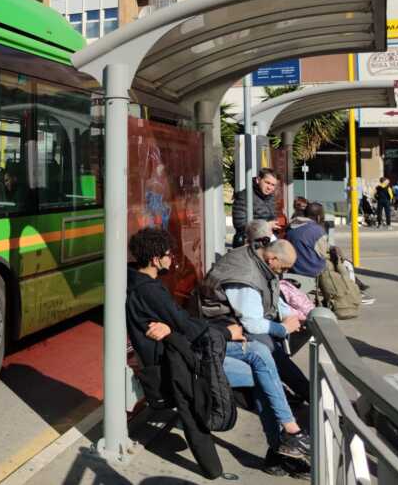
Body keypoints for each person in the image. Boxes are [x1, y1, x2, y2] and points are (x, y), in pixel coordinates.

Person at [126, 228, 311, 479]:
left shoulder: (141, 283)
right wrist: (227, 333)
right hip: (184, 361)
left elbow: (179, 324)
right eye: (170, 254)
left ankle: (285, 440)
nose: (173, 259)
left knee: (259, 354)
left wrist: (184, 328)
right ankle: (285, 439)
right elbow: (185, 326)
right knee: (260, 369)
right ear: (156, 258)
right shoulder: (149, 290)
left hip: (191, 348)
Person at [200, 239, 312, 402]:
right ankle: (294, 397)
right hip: (223, 324)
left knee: (277, 349)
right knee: (271, 350)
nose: (284, 272)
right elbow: (252, 324)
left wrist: (287, 314)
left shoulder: (258, 258)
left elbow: (271, 293)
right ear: (272, 258)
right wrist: (283, 329)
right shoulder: (245, 277)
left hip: (237, 319)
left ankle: (296, 392)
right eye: (284, 267)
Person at [232, 168, 280, 247]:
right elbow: (240, 224)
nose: (270, 187)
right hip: (250, 243)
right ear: (258, 180)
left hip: (267, 240)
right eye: (267, 183)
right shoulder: (244, 196)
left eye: (273, 185)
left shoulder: (270, 197)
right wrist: (266, 226)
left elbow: (272, 218)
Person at [285, 202, 328, 278]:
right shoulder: (318, 230)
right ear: (318, 217)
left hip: (292, 270)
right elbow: (323, 254)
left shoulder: (291, 227)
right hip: (313, 272)